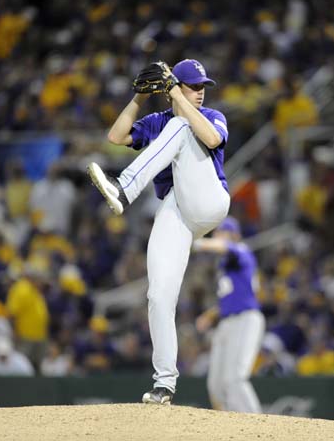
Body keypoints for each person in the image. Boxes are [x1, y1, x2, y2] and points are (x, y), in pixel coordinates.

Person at [87, 59, 230, 405]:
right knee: (158, 296)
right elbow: (116, 136)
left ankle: (124, 189)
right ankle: (164, 383)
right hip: (176, 211)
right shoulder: (159, 121)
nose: (200, 92)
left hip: (208, 200)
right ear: (174, 89)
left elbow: (210, 139)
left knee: (182, 129)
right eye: (192, 86)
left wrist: (176, 98)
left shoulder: (211, 116)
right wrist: (137, 98)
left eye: (202, 87)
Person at [193, 217, 265, 413]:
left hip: (246, 318)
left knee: (234, 379)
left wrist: (196, 243)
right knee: (216, 384)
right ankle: (228, 430)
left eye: (220, 232)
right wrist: (210, 315)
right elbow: (230, 297)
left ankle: (261, 429)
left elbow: (225, 246)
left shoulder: (242, 250)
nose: (216, 236)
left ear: (233, 234)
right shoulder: (224, 266)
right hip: (226, 322)